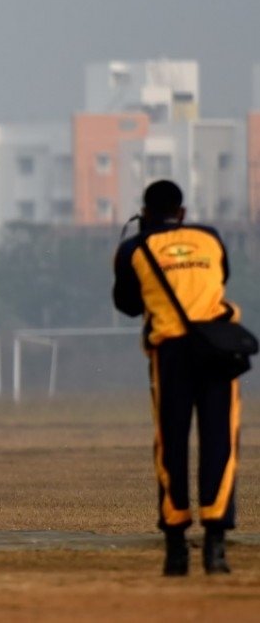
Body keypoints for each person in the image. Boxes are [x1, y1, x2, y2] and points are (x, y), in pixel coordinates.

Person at [113, 179, 243, 576]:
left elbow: (128, 305)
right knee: (221, 441)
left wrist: (146, 241)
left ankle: (176, 549)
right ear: (182, 212)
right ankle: (216, 548)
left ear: (145, 212)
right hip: (217, 347)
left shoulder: (134, 247)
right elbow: (219, 278)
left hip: (171, 353)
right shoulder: (210, 237)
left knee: (171, 444)